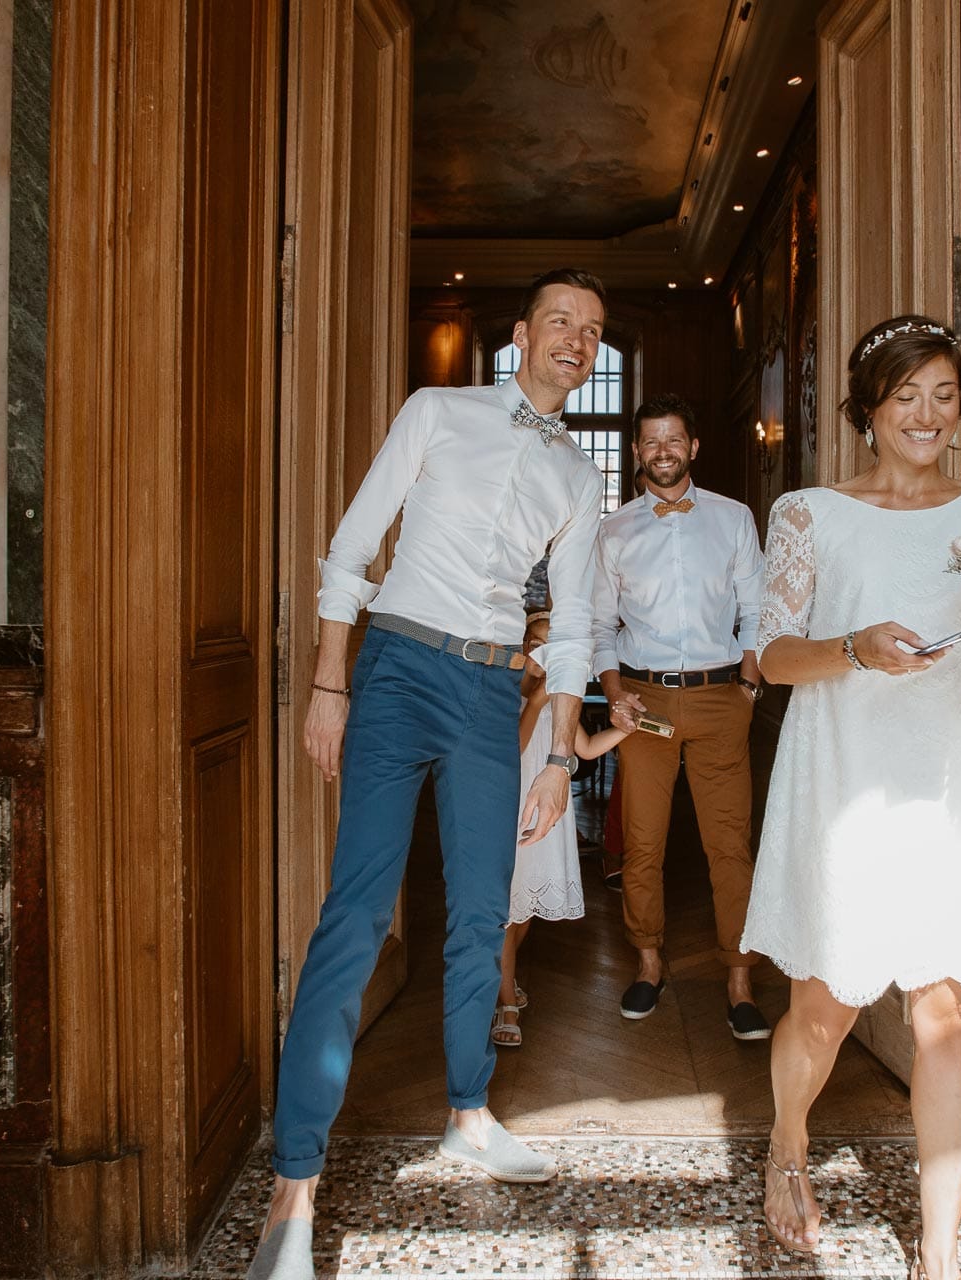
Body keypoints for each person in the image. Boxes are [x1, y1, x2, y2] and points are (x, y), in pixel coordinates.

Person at [244, 270, 609, 1280]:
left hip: (495, 695)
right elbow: (354, 545)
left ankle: (466, 1111)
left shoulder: (580, 480)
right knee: (356, 911)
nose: (575, 341)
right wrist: (330, 684)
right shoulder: (436, 411)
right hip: (397, 667)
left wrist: (556, 756)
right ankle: (295, 1180)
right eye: (559, 323)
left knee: (478, 909)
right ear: (521, 333)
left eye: (591, 331)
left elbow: (572, 626)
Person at [740, 316, 961, 1280]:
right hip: (849, 784)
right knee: (825, 1008)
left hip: (960, 781)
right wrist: (851, 648)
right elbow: (765, 658)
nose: (927, 415)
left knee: (950, 1018)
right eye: (905, 396)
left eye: (944, 395)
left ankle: (943, 1253)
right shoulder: (810, 513)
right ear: (867, 412)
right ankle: (788, 1140)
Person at [591, 394, 771, 1038]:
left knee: (731, 847)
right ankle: (647, 963)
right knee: (643, 844)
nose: (662, 452)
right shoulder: (613, 532)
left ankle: (740, 977)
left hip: (723, 698)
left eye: (674, 440)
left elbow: (758, 613)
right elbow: (599, 627)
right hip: (644, 703)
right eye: (651, 442)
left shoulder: (733, 519)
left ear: (693, 448)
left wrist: (747, 689)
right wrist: (615, 695)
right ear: (636, 450)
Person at [492, 610, 632, 1047]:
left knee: (526, 908)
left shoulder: (561, 701)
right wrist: (535, 699)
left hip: (546, 815)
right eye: (535, 644)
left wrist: (625, 730)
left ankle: (506, 985)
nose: (541, 654)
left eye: (550, 647)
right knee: (505, 915)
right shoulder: (504, 692)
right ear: (522, 647)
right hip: (509, 808)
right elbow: (512, 748)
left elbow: (587, 748)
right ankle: (506, 1003)